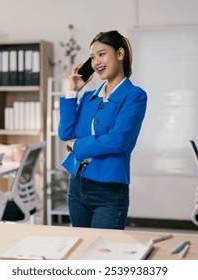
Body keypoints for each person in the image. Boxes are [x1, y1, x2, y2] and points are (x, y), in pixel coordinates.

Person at [58, 30, 147, 229]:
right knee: (80, 250)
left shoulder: (134, 96)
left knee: (103, 253)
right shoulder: (89, 96)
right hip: (77, 185)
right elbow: (65, 133)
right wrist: (73, 91)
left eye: (102, 54)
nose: (96, 62)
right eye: (92, 57)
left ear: (120, 54)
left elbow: (117, 140)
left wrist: (77, 145)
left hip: (109, 191)